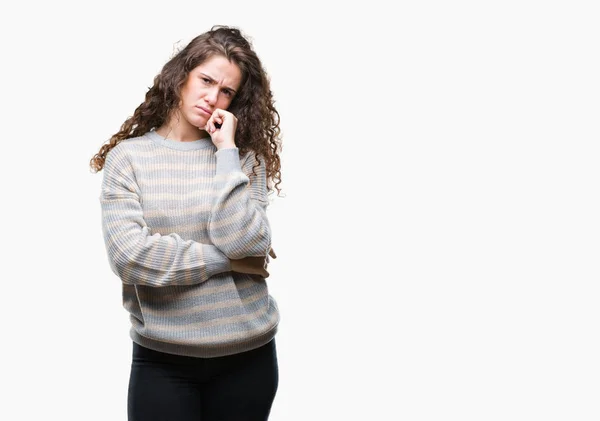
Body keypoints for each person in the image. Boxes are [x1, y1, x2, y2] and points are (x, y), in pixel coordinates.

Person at [89, 25, 283, 421]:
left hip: (248, 357)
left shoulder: (244, 158)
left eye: (226, 91)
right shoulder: (128, 159)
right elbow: (130, 257)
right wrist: (226, 262)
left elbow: (245, 240)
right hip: (163, 359)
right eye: (206, 80)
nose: (213, 97)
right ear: (181, 76)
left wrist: (226, 151)